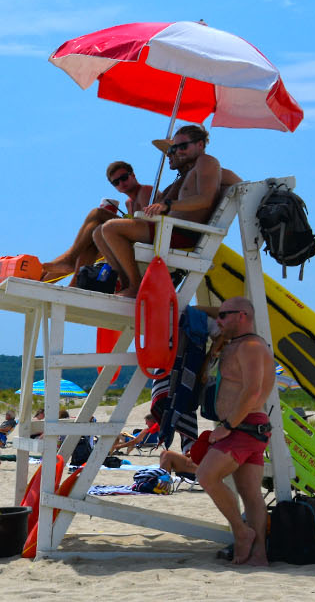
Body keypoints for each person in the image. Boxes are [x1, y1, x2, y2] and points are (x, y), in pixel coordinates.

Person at [158, 297, 275, 564]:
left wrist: (228, 426)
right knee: (250, 494)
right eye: (218, 315)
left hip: (243, 427)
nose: (218, 320)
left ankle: (241, 532)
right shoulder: (235, 344)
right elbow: (197, 311)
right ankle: (259, 555)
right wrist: (222, 314)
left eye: (224, 316)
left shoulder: (252, 346)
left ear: (243, 315)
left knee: (205, 475)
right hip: (248, 429)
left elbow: (253, 390)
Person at [94, 124, 242, 296]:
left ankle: (135, 286)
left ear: (200, 145)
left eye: (183, 146)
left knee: (110, 228)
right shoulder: (190, 172)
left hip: (180, 233)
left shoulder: (207, 162)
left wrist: (169, 205)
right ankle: (126, 283)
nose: (177, 151)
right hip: (168, 230)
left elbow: (205, 199)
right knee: (98, 233)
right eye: (174, 148)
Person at [43, 160, 155, 278]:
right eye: (116, 182)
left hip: (151, 236)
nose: (121, 183)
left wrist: (117, 223)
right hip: (136, 236)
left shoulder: (145, 191)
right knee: (91, 239)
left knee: (97, 213)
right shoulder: (129, 202)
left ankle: (69, 259)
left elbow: (147, 223)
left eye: (124, 178)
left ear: (133, 175)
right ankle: (73, 281)